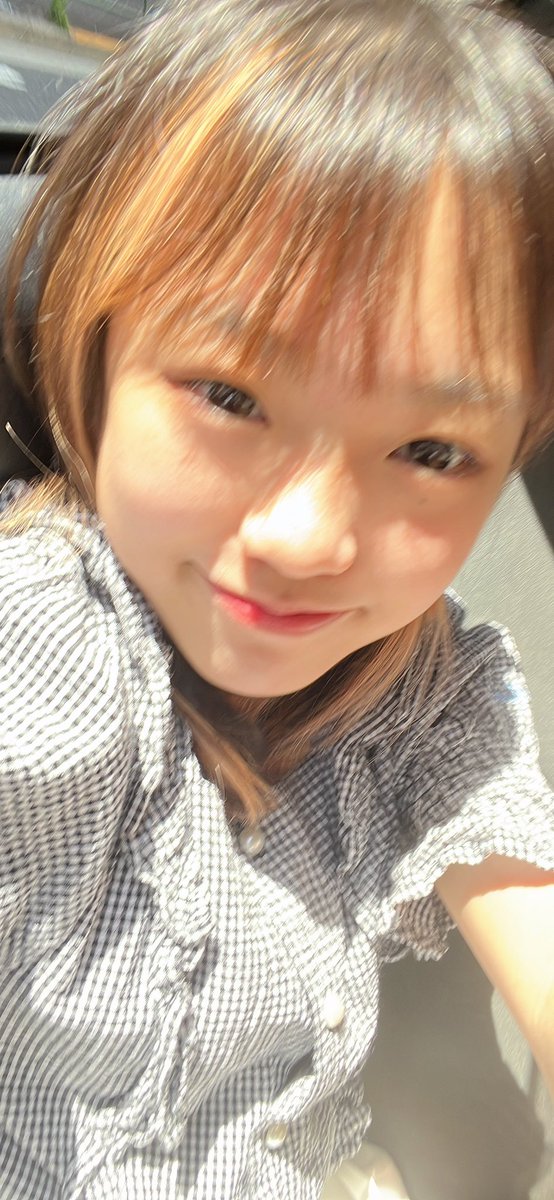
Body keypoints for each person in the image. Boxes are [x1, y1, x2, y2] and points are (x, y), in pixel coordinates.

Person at [1, 0, 554, 1196]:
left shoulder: (428, 680)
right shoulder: (43, 645)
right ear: (95, 338)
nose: (304, 542)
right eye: (228, 396)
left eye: (430, 452)